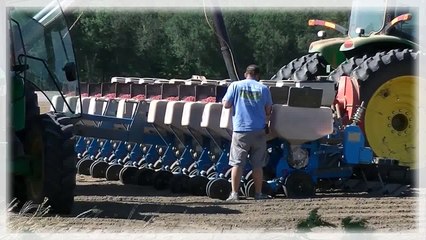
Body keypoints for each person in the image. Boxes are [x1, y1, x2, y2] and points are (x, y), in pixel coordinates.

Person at [222, 64, 273, 201]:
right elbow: (269, 109)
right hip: (259, 131)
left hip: (241, 130)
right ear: (258, 75)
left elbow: (226, 104)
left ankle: (234, 194)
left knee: (237, 162)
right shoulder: (263, 89)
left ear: (246, 74)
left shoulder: (235, 86)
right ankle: (258, 194)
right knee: (257, 164)